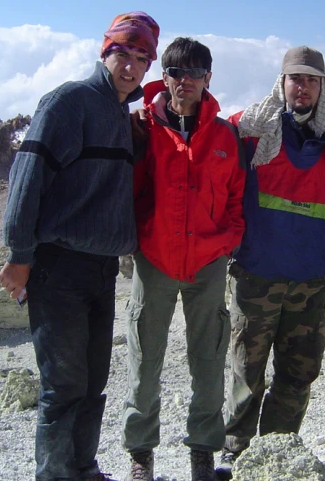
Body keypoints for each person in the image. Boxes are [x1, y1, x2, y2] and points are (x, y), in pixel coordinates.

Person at [0, 11, 160, 481]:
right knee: (63, 386)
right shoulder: (69, 102)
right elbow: (27, 178)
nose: (130, 66)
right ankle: (55, 475)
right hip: (57, 266)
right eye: (122, 53)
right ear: (103, 51)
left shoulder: (121, 114)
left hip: (101, 267)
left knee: (92, 383)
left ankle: (84, 469)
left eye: (141, 58)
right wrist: (19, 255)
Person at [216, 46, 325, 479]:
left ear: (322, 87)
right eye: (296, 78)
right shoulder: (252, 131)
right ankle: (235, 453)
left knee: (299, 373)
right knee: (246, 370)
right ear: (283, 83)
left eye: (312, 80)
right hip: (257, 276)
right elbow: (206, 137)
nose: (303, 87)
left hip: (310, 281)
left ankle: (276, 453)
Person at [121, 37, 246, 481]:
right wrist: (137, 241)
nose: (185, 81)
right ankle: (141, 454)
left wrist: (227, 240)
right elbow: (131, 189)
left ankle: (203, 454)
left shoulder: (225, 135)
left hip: (207, 264)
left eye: (195, 73)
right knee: (144, 357)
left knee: (208, 358)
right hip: (155, 261)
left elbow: (236, 196)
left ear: (208, 78)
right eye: (176, 72)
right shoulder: (144, 128)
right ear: (165, 77)